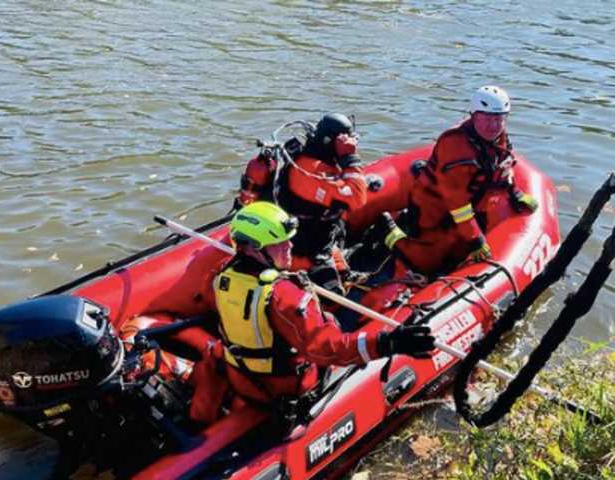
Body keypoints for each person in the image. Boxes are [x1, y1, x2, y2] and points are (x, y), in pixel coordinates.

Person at [213, 201, 435, 405]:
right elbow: (327, 350)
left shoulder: (222, 275)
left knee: (326, 317)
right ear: (253, 248)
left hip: (242, 374)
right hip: (283, 386)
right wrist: (388, 343)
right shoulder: (282, 296)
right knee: (342, 318)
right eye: (279, 243)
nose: (290, 245)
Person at [376, 85, 539, 275]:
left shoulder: (497, 137)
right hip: (435, 208)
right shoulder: (456, 146)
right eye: (487, 118)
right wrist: (476, 239)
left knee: (460, 251)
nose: (493, 125)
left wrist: (515, 193)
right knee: (425, 262)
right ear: (474, 115)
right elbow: (456, 203)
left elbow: (503, 166)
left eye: (498, 119)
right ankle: (388, 231)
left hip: (471, 205)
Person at [237, 114, 369, 293]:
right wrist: (350, 158)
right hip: (302, 252)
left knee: (340, 263)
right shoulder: (313, 172)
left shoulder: (309, 159)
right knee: (334, 300)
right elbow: (357, 198)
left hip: (317, 241)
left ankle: (342, 273)